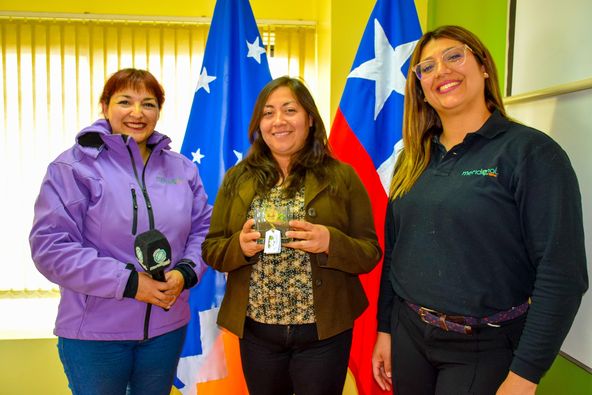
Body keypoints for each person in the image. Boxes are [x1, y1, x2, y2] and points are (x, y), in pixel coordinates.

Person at [372, 25, 588, 395]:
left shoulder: (530, 153)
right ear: (420, 89)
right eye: (426, 67)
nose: (441, 71)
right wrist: (385, 329)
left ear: (484, 66)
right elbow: (397, 252)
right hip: (410, 335)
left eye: (454, 56)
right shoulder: (413, 158)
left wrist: (525, 375)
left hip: (483, 347)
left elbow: (562, 274)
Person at [29, 68, 212, 395]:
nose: (137, 113)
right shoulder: (72, 168)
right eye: (125, 101)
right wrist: (129, 283)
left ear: (159, 110)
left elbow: (203, 230)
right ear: (105, 106)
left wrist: (186, 272)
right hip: (96, 337)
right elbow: (51, 248)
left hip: (165, 330)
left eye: (149, 103)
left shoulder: (182, 169)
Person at [202, 76, 382, 395]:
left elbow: (370, 252)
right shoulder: (237, 178)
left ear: (310, 119)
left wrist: (331, 242)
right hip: (258, 335)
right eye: (268, 113)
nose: (278, 121)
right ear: (259, 123)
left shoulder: (342, 176)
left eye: (289, 110)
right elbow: (212, 250)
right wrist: (238, 247)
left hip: (323, 335)